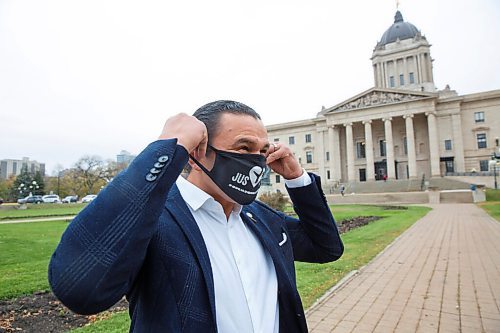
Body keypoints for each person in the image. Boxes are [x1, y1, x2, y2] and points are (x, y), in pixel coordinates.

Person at [48, 100, 344, 333]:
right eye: (243, 148)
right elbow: (81, 288)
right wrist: (167, 147)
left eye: (262, 152)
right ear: (197, 152)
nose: (256, 162)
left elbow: (326, 247)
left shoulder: (261, 219)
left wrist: (297, 177)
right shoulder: (157, 220)